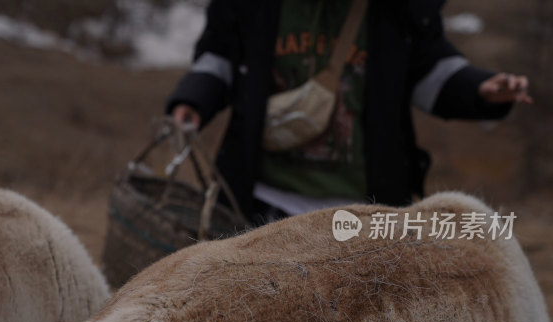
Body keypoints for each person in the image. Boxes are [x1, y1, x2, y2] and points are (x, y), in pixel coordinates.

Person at [166, 0, 531, 224]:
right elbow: (220, 58)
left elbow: (428, 72)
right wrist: (193, 99)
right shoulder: (250, 6)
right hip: (259, 203)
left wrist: (480, 89)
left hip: (365, 211)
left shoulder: (401, 9)